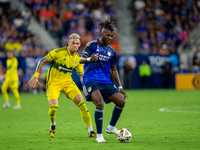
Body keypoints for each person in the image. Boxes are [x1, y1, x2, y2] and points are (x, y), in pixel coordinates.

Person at [28, 33, 96, 138]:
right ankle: (53, 125)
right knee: (54, 107)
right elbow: (42, 61)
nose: (74, 45)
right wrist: (36, 76)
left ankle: (91, 130)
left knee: (82, 104)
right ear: (69, 43)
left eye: (77, 43)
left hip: (68, 83)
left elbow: (81, 75)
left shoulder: (78, 59)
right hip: (54, 83)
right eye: (73, 43)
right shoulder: (58, 52)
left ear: (79, 45)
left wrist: (86, 86)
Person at [79, 19, 128, 143]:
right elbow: (80, 60)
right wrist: (90, 58)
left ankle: (111, 128)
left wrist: (120, 87)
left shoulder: (112, 52)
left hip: (105, 81)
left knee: (121, 101)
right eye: (107, 35)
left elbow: (113, 70)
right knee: (99, 103)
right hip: (90, 79)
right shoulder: (91, 45)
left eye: (111, 36)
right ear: (101, 33)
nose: (110, 37)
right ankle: (99, 136)